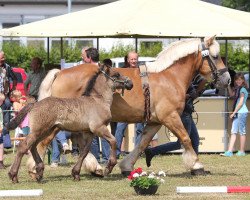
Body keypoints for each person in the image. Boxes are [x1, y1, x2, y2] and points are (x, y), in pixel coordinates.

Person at [144, 74, 206, 167]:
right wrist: (189, 95)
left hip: (187, 112)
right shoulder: (182, 80)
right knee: (180, 143)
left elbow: (194, 94)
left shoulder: (189, 80)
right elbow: (175, 96)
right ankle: (152, 151)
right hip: (184, 113)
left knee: (195, 140)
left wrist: (200, 89)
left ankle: (195, 165)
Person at [115, 52, 144, 158]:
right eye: (131, 59)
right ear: (128, 60)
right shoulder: (122, 71)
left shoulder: (142, 71)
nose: (133, 61)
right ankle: (116, 152)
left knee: (140, 129)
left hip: (139, 105)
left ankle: (136, 153)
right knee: (120, 129)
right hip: (125, 105)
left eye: (135, 59)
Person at [221, 72, 248, 157]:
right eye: (237, 80)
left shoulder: (243, 89)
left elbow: (240, 103)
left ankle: (242, 151)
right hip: (237, 112)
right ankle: (229, 151)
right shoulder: (237, 89)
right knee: (233, 131)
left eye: (240, 79)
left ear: (243, 80)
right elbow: (231, 95)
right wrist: (228, 85)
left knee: (242, 132)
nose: (238, 81)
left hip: (241, 112)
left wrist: (233, 113)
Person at [0, 51, 18, 147]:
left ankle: (6, 142)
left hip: (4, 96)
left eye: (3, 58)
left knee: (6, 119)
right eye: (2, 58)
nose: (3, 59)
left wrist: (12, 90)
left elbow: (14, 78)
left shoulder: (7, 67)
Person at [0, 93, 6, 169]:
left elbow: (1, 120)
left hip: (0, 129)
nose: (2, 103)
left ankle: (0, 161)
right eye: (1, 101)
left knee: (1, 145)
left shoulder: (0, 109)